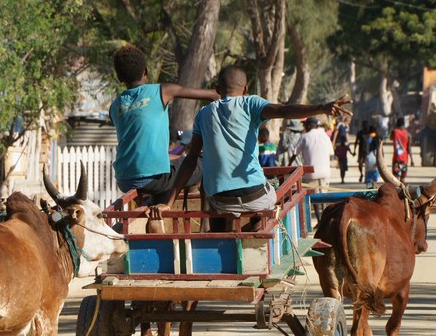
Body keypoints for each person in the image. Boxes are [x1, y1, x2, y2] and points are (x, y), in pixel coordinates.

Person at [152, 66, 350, 227]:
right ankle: (257, 226)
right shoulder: (250, 104)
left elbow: (190, 159)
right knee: (277, 194)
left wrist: (168, 203)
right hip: (255, 196)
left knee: (214, 199)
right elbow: (284, 110)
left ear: (217, 89)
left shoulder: (203, 114)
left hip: (220, 201)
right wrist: (322, 107)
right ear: (245, 90)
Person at [108, 45, 223, 204]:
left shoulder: (114, 106)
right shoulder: (161, 91)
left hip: (123, 179)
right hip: (153, 178)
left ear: (120, 77)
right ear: (145, 72)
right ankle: (205, 224)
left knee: (171, 171)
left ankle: (155, 207)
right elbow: (212, 95)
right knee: (204, 161)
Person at [292, 116, 334, 193]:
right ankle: (323, 205)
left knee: (312, 197)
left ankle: (317, 205)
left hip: (311, 174)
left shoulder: (304, 137)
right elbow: (331, 154)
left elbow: (295, 153)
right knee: (324, 195)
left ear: (308, 126)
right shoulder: (325, 136)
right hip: (326, 173)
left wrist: (289, 164)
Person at [390, 117, 412, 183]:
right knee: (403, 178)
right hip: (404, 159)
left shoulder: (394, 132)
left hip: (396, 158)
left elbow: (391, 138)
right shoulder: (408, 134)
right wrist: (412, 160)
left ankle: (396, 191)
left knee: (396, 177)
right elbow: (409, 148)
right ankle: (402, 191)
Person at [331, 116, 352, 184]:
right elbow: (336, 132)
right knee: (338, 153)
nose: (349, 122)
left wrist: (348, 142)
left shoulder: (347, 126)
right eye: (349, 120)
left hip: (344, 142)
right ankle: (339, 163)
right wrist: (333, 141)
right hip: (339, 141)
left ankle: (341, 164)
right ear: (346, 119)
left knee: (343, 154)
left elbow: (347, 134)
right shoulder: (340, 124)